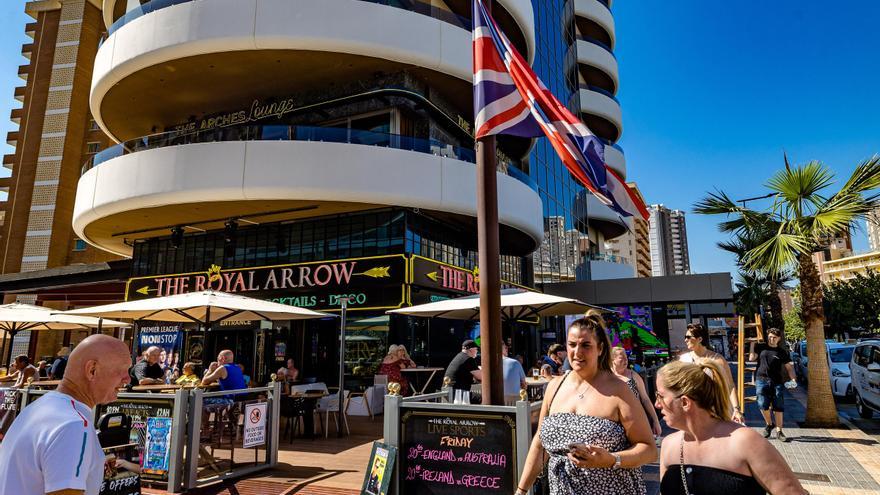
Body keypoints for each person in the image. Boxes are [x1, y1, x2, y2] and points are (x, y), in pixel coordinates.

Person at [517, 315, 656, 494]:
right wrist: (521, 490)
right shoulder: (555, 386)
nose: (577, 352)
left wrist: (611, 459)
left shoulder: (619, 390)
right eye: (572, 344)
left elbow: (649, 449)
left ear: (600, 348)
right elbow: (539, 444)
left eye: (585, 345)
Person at [0, 334, 132, 495]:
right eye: (122, 370)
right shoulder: (73, 424)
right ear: (92, 370)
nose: (128, 378)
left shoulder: (39, 408)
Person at [655, 359, 807, 494]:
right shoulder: (669, 445)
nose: (656, 404)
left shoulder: (745, 442)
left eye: (660, 396)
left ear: (685, 402)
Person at [680, 323, 744, 423]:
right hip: (694, 411)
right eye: (685, 337)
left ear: (700, 339)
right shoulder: (684, 359)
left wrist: (736, 410)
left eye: (688, 337)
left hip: (717, 410)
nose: (685, 340)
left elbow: (730, 386)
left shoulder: (717, 360)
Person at [749, 328, 797, 442]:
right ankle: (769, 424)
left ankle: (779, 431)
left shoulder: (782, 352)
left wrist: (794, 379)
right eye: (770, 337)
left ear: (779, 338)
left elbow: (789, 367)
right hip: (761, 380)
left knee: (778, 407)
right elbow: (751, 358)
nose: (771, 339)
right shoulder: (761, 347)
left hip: (776, 382)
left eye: (774, 337)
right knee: (762, 404)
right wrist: (752, 344)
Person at [611, 346, 662, 436]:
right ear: (612, 360)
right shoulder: (608, 377)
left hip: (636, 419)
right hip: (616, 423)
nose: (626, 361)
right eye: (621, 358)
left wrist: (655, 421)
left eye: (626, 358)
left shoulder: (633, 375)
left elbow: (645, 399)